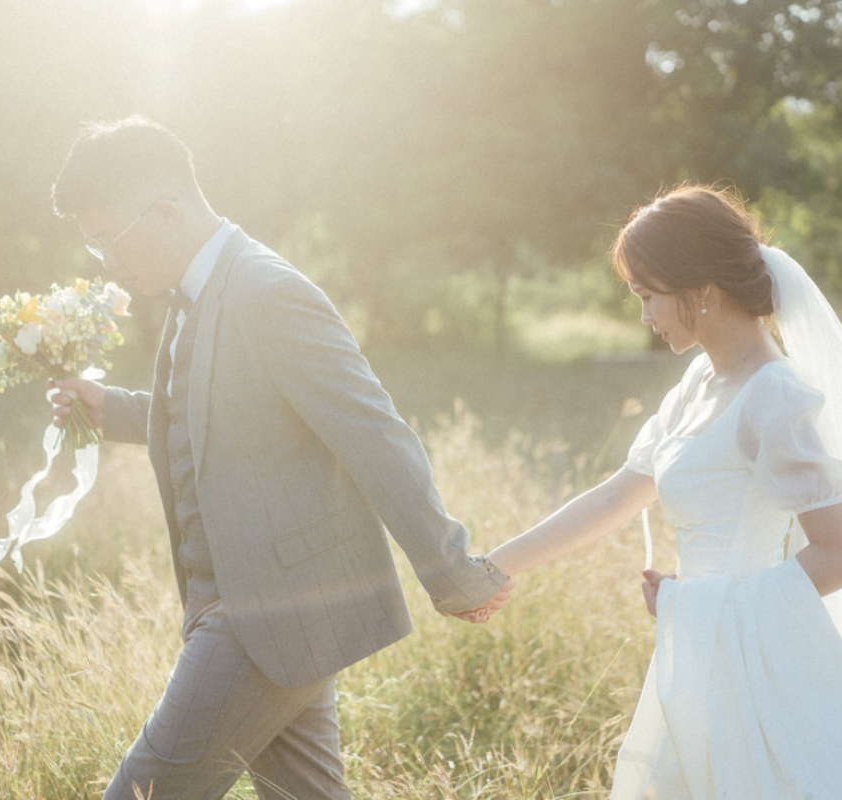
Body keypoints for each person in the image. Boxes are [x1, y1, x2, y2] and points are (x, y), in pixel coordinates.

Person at [46, 116, 514, 800]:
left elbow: (373, 435)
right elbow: (217, 408)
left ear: (166, 212)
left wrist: (453, 573)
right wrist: (111, 408)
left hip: (259, 617)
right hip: (255, 612)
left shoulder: (269, 292)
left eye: (106, 241)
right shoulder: (194, 294)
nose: (108, 265)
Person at [484, 184, 842, 798]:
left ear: (701, 290)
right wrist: (495, 567)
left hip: (758, 666)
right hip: (699, 656)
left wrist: (692, 604)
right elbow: (618, 493)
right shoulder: (699, 379)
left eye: (649, 296)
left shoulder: (772, 396)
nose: (644, 316)